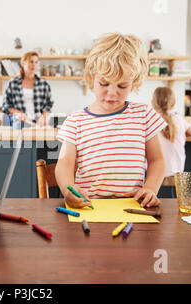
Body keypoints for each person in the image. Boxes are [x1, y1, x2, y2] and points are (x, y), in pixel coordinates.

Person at [55, 33, 167, 209]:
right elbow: (65, 163)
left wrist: (150, 188)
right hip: (89, 207)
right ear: (92, 78)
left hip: (132, 208)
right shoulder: (75, 120)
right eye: (104, 84)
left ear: (134, 81)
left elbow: (157, 160)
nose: (112, 93)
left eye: (122, 86)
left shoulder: (144, 115)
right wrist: (68, 189)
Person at [151, 87, 191, 178]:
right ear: (173, 102)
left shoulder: (151, 120)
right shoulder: (178, 119)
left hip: (155, 174)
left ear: (153, 102)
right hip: (177, 173)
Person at [1, 51, 53, 127]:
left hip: (39, 123)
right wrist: (19, 113)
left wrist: (43, 116)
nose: (34, 65)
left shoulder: (44, 83)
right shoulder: (12, 83)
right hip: (19, 123)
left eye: (36, 62)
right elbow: (5, 105)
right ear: (23, 63)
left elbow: (49, 104)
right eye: (31, 62)